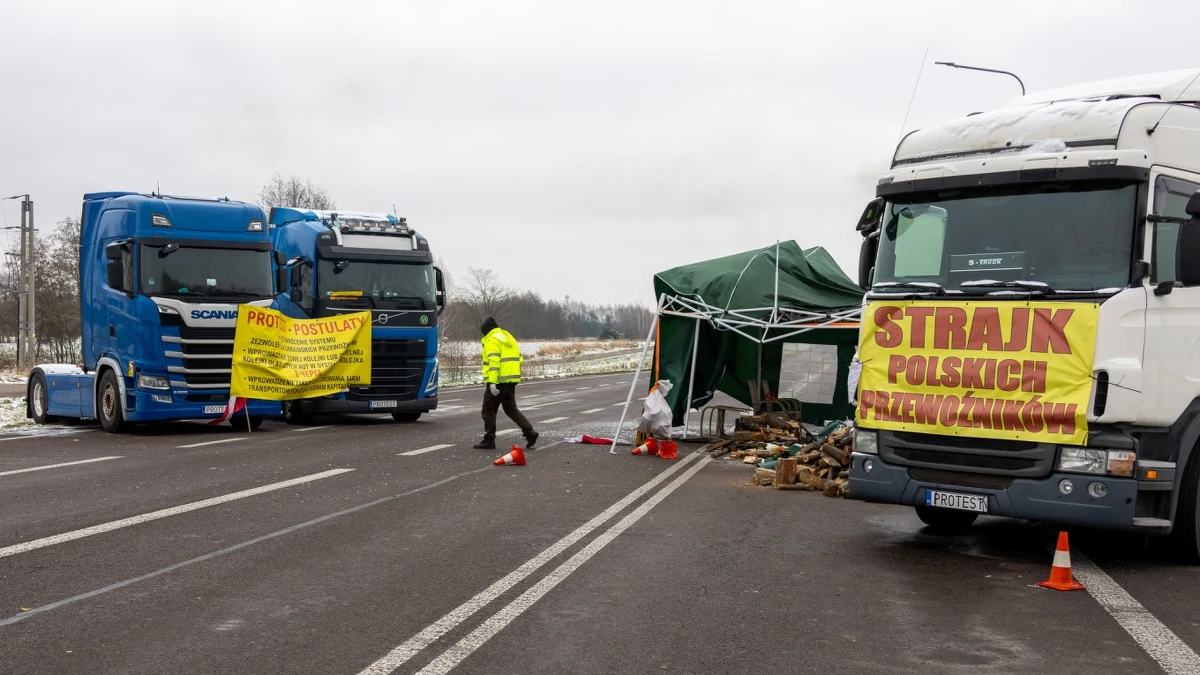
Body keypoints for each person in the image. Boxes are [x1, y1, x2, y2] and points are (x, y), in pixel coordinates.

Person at [473, 317, 538, 450]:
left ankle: (489, 439)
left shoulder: (492, 340)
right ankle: (529, 432)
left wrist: (492, 382)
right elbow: (519, 358)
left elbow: (494, 362)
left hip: (498, 380)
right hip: (511, 379)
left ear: (486, 331)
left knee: (488, 409)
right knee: (510, 408)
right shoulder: (508, 338)